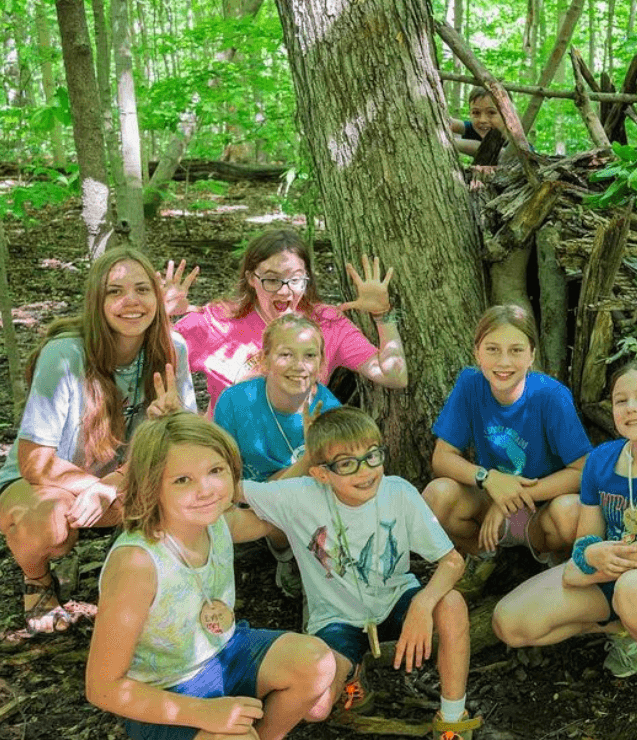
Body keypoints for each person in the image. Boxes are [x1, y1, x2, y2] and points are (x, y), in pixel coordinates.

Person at [84, 413, 335, 740]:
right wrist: (203, 713)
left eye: (216, 471)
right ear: (152, 486)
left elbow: (276, 507)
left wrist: (330, 478)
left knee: (317, 663)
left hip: (224, 651)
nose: (205, 490)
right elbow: (101, 687)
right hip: (163, 689)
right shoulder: (137, 564)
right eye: (182, 479)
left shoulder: (218, 521)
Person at [239, 407, 478, 740]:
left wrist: (421, 605)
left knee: (450, 604)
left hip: (396, 597)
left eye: (373, 455)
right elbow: (232, 490)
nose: (365, 472)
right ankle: (350, 674)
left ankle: (453, 725)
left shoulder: (397, 491)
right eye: (347, 464)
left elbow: (452, 561)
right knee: (317, 709)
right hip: (337, 617)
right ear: (321, 473)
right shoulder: (299, 495)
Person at [492, 360, 637, 740]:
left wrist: (590, 559)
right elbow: (585, 543)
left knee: (634, 589)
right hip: (614, 576)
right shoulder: (601, 460)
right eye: (621, 400)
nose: (631, 408)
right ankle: (627, 631)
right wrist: (589, 554)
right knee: (510, 624)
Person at [0, 246, 195, 635]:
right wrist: (98, 487)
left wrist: (167, 427)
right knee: (47, 523)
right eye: (115, 291)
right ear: (96, 301)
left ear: (157, 298)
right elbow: (34, 462)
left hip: (125, 482)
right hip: (48, 484)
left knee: (189, 494)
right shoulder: (65, 354)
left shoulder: (172, 349)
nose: (131, 301)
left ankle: (141, 584)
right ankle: (37, 580)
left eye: (142, 289)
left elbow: (188, 449)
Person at [422, 305, 592, 591]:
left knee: (571, 512)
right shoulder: (470, 385)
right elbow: (442, 457)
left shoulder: (550, 396)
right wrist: (488, 479)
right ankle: (483, 558)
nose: (504, 361)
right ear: (477, 353)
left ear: (532, 355)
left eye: (515, 350)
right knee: (437, 496)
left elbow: (582, 469)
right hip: (489, 505)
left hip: (541, 510)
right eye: (492, 349)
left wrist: (511, 497)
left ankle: (555, 570)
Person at [161, 228, 407, 415]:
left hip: (300, 457)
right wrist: (160, 317)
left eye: (296, 279)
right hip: (227, 457)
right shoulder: (217, 321)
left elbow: (393, 376)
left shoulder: (326, 323)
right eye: (271, 279)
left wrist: (383, 315)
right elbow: (150, 360)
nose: (284, 291)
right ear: (251, 278)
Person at [214, 314, 341, 597]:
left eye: (310, 355)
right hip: (246, 503)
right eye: (286, 355)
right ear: (265, 360)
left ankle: (318, 579)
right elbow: (220, 471)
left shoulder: (329, 410)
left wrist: (310, 460)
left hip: (307, 506)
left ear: (321, 362)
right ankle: (287, 557)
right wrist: (307, 459)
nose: (299, 366)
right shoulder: (236, 401)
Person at [451, 87, 507, 157]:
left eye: (491, 112)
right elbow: (449, 123)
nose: (482, 120)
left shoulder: (514, 142)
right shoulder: (480, 129)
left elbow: (491, 151)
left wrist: (447, 142)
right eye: (476, 113)